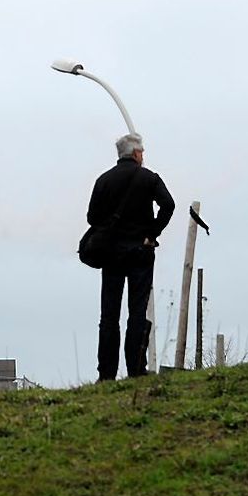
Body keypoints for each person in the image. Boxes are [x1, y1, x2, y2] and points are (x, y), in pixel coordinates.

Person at [87, 134, 175, 381]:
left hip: (112, 254)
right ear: (136, 154)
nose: (143, 156)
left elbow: (92, 218)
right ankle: (136, 368)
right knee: (137, 312)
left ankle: (106, 373)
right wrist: (152, 232)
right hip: (141, 252)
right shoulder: (149, 179)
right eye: (142, 152)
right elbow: (168, 205)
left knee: (109, 315)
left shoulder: (103, 181)